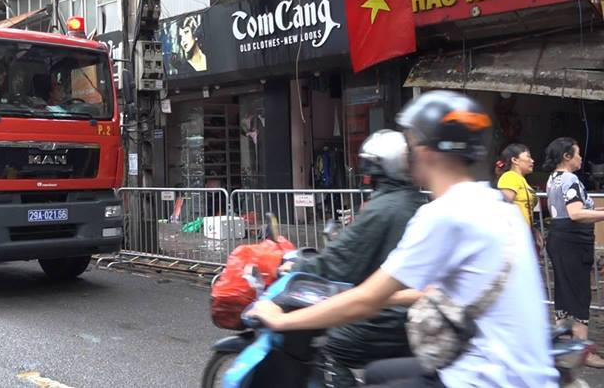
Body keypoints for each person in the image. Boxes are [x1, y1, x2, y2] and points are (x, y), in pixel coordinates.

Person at [247, 90, 558, 387]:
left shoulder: (444, 213)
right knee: (379, 374)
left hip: (485, 377)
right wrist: (382, 294)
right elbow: (438, 289)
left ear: (423, 150)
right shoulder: (494, 205)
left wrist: (281, 320)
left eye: (411, 143)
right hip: (524, 370)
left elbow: (366, 301)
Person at [281, 129, 424, 387]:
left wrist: (297, 266)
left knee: (331, 347)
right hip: (411, 315)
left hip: (387, 316)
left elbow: (339, 262)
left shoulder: (382, 209)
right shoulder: (413, 202)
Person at [543, 137, 604, 367]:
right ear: (566, 157)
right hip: (572, 242)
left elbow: (569, 210)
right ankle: (581, 350)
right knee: (579, 295)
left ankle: (561, 345)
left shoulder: (553, 179)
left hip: (559, 238)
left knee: (563, 292)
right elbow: (576, 213)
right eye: (577, 154)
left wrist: (598, 210)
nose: (580, 158)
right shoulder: (569, 178)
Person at [495, 144, 538, 226]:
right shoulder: (510, 177)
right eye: (528, 157)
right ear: (515, 160)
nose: (532, 161)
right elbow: (504, 207)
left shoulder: (520, 179)